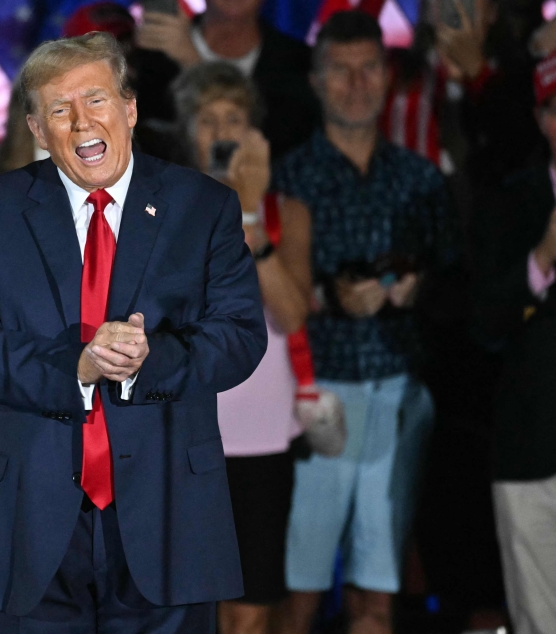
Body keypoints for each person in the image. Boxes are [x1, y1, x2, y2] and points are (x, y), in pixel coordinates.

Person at [0, 32, 267, 632]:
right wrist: (78, 368)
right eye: (60, 110)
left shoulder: (204, 208)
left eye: (97, 100)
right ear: (37, 129)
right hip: (24, 525)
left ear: (130, 108)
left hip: (167, 518)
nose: (82, 123)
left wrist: (150, 360)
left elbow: (241, 335)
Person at [271, 12, 454, 634]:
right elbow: (257, 293)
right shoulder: (287, 177)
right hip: (311, 401)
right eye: (341, 71)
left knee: (377, 599)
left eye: (369, 68)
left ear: (387, 75)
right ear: (317, 81)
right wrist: (329, 296)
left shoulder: (422, 179)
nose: (357, 84)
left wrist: (417, 287)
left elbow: (459, 288)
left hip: (398, 394)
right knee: (296, 594)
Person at [173, 60, 312, 634]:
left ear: (255, 131)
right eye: (208, 120)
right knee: (188, 603)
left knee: (251, 607)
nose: (223, 132)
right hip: (186, 432)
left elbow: (294, 313)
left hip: (261, 435)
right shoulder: (164, 210)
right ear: (188, 133)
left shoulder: (288, 213)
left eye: (235, 118)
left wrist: (251, 220)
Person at [470, 52, 556, 634]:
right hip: (534, 449)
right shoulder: (510, 200)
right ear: (542, 118)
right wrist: (542, 258)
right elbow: (484, 322)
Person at [134, 0, 320, 159]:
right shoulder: (158, 56)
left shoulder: (300, 63)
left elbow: (282, 144)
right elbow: (144, 144)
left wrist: (194, 64)